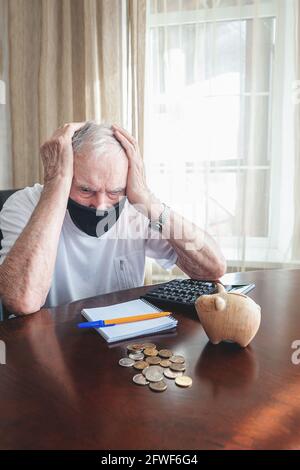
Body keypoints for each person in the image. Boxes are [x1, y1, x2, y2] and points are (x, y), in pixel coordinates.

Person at [0, 121, 226, 315]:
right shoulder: (24, 205)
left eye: (114, 191)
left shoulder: (135, 209)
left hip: (123, 340)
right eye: (86, 190)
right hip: (52, 340)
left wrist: (146, 199)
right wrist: (56, 183)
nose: (100, 205)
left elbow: (212, 269)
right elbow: (22, 301)